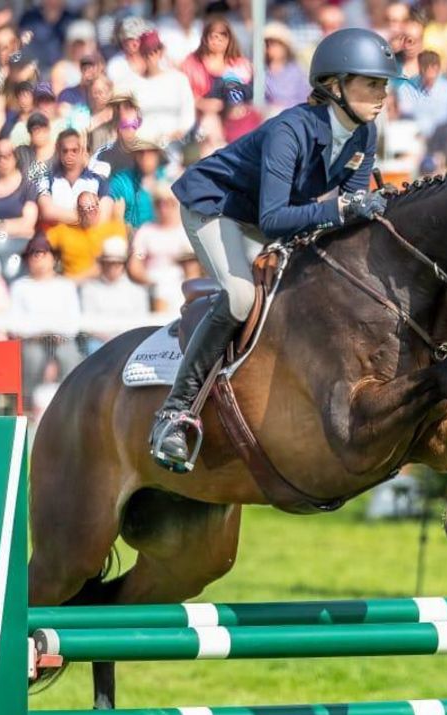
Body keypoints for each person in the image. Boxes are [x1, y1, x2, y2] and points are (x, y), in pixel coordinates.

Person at [156, 27, 402, 473]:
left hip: (271, 217)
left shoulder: (364, 135)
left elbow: (344, 214)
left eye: (383, 84)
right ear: (334, 86)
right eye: (372, 83)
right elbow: (274, 218)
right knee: (240, 297)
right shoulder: (291, 130)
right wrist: (344, 207)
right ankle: (175, 413)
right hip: (217, 207)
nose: (382, 93)